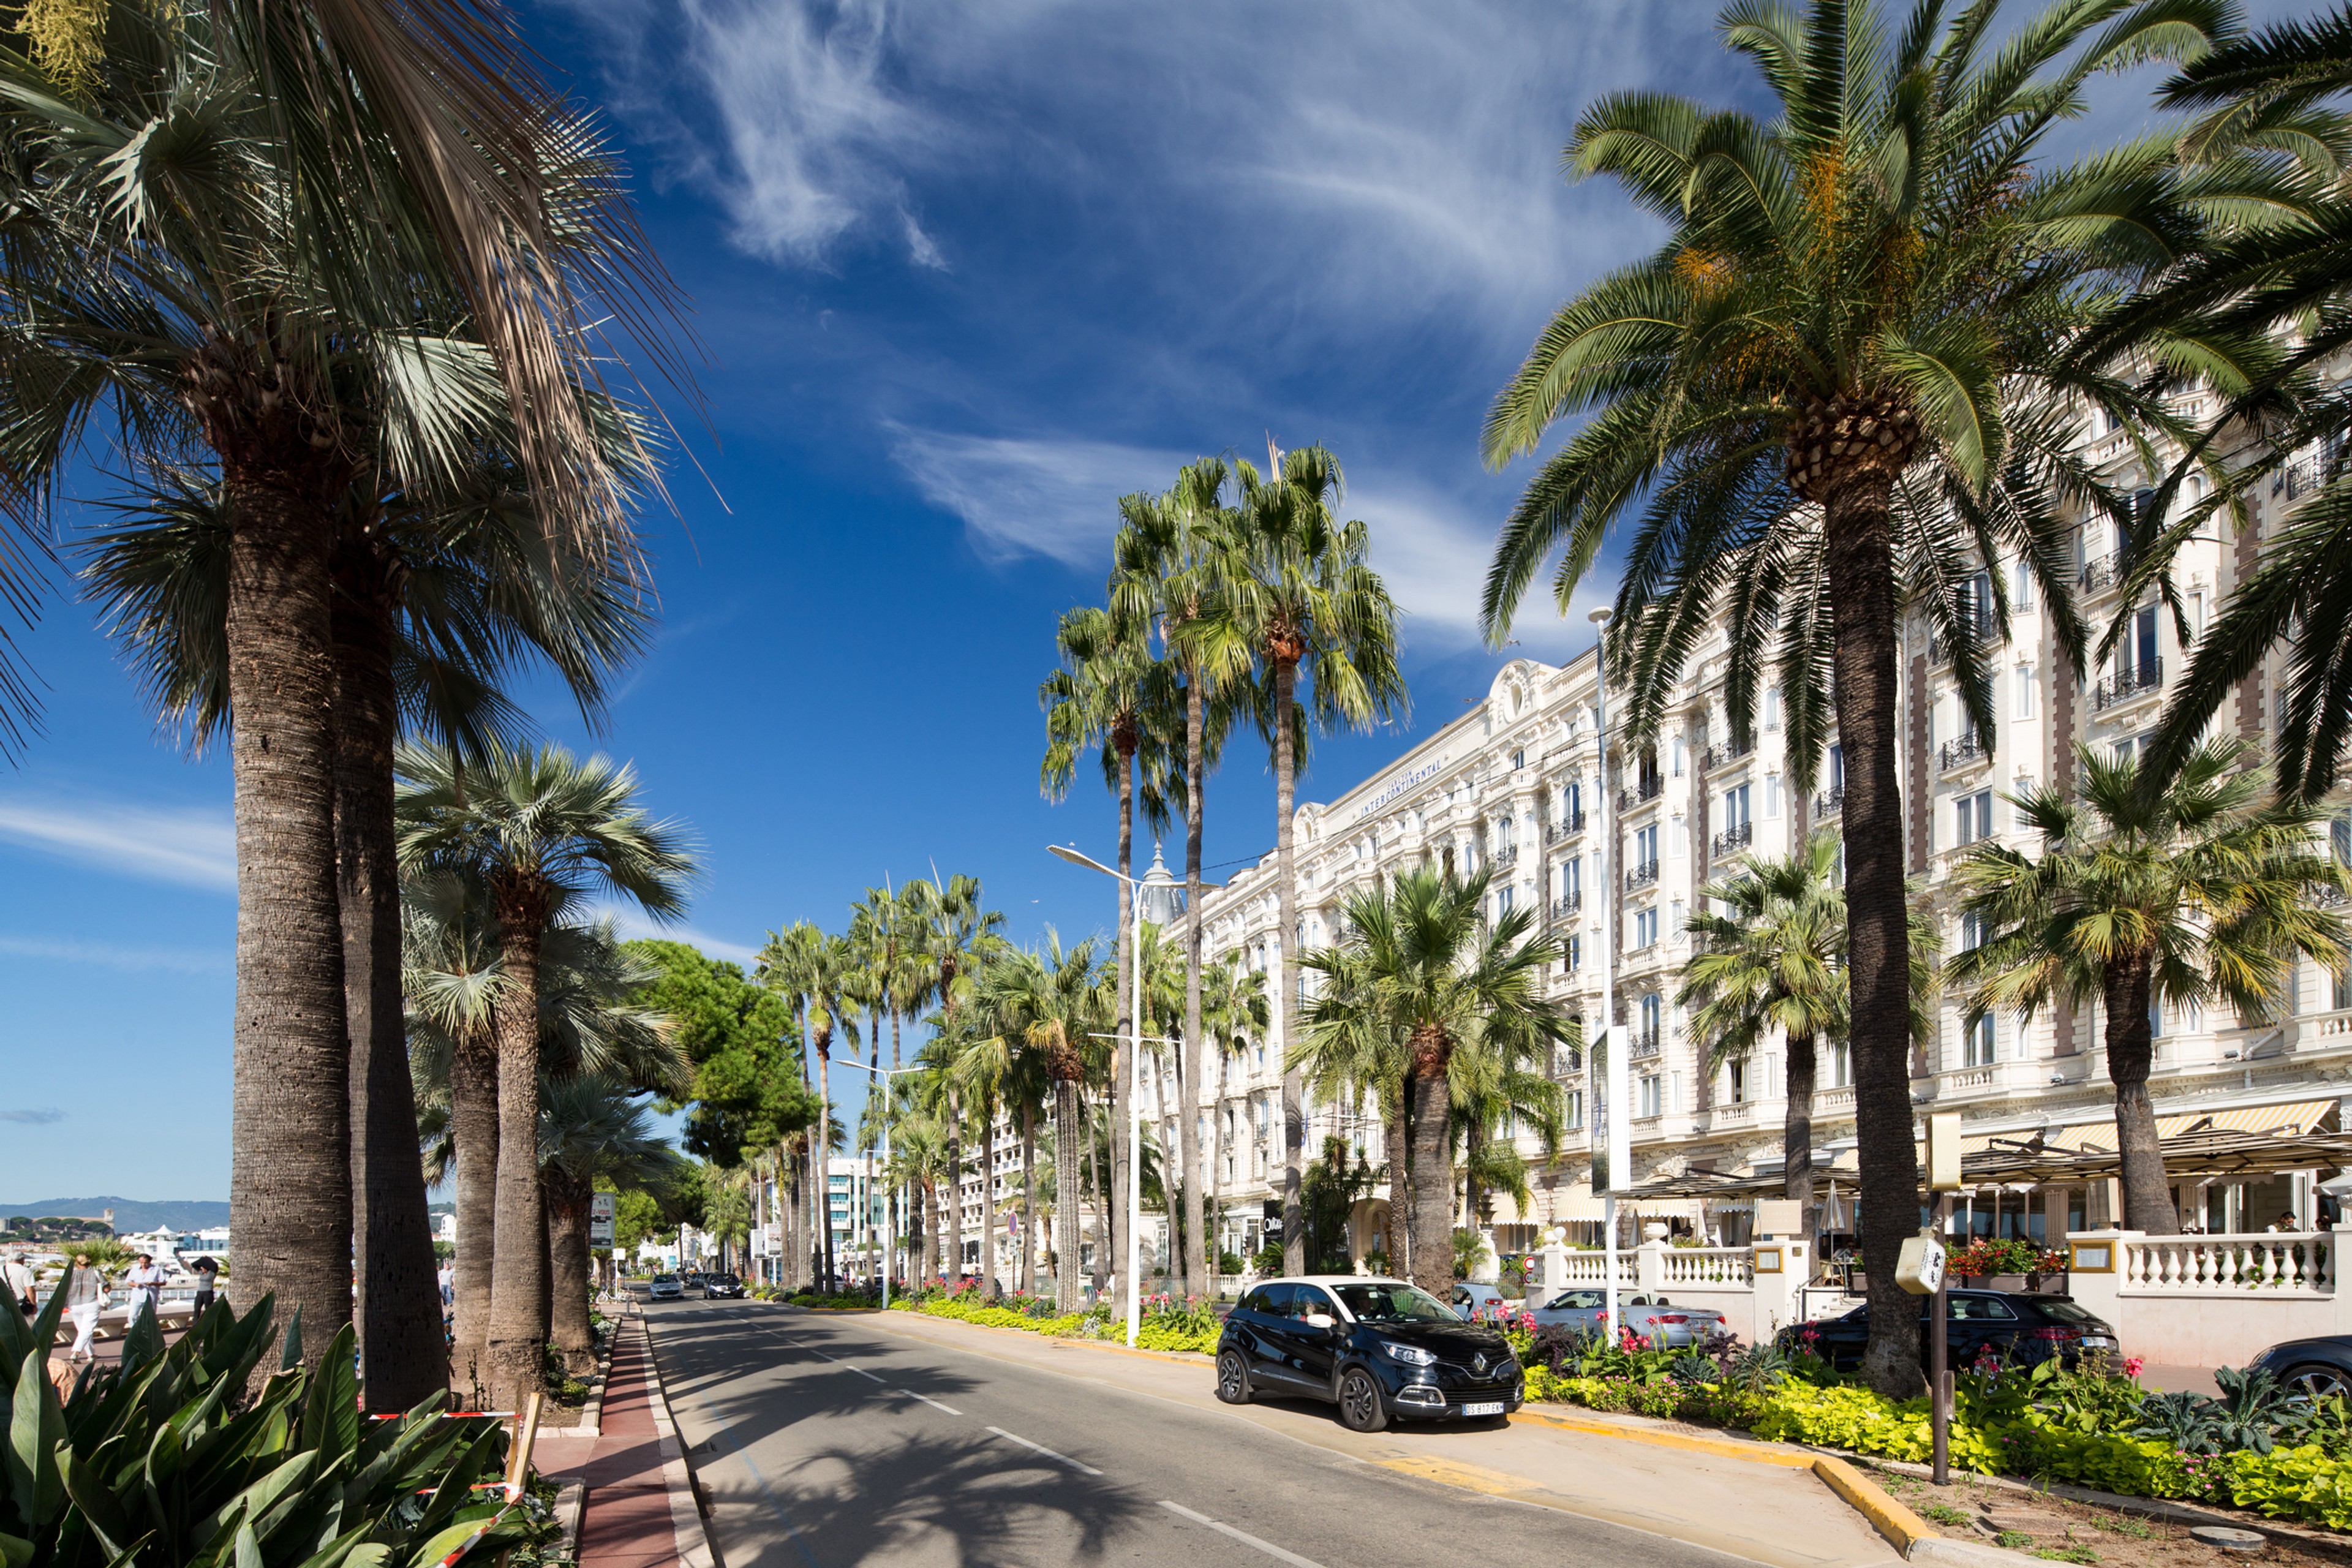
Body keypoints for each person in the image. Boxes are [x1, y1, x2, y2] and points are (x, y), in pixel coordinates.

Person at [63, 1254, 104, 1362]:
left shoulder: (70, 1274)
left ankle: (91, 1354)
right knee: (86, 1330)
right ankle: (75, 1352)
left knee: (83, 1331)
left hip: (74, 1305)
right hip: (91, 1303)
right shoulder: (95, 1273)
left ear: (77, 1262)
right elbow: (107, 1287)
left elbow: (64, 1289)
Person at [122, 1252, 165, 1334]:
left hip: (150, 1296)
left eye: (145, 1263)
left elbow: (163, 1282)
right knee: (132, 1316)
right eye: (141, 1263)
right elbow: (128, 1281)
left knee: (149, 1316)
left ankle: (148, 1332)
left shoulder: (156, 1269)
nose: (143, 1265)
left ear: (149, 1262)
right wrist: (135, 1285)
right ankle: (134, 1332)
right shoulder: (134, 1269)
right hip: (137, 1295)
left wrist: (153, 1283)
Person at [2, 1250, 32, 1316]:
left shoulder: (2, 1269)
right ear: (22, 1259)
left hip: (3, 1306)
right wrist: (33, 1305)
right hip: (21, 1305)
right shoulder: (25, 1271)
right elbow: (30, 1289)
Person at [189, 1255, 219, 1321]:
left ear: (206, 1268)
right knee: (197, 1309)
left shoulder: (212, 1273)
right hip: (200, 1293)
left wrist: (207, 1258)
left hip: (208, 1293)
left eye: (202, 1268)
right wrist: (202, 1258)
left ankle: (209, 1324)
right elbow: (194, 1265)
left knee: (208, 1310)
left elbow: (215, 1265)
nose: (201, 1269)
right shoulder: (201, 1273)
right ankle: (195, 1325)